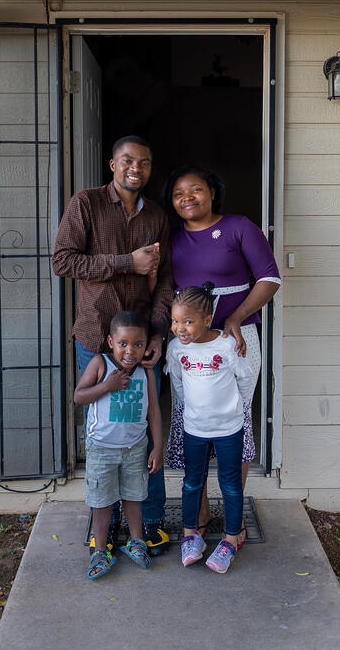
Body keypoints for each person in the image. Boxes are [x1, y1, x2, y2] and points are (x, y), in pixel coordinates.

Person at [51, 135, 174, 555]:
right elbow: (62, 260)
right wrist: (127, 262)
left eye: (144, 162)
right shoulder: (86, 203)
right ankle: (103, 517)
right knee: (103, 430)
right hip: (95, 336)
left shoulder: (156, 215)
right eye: (127, 161)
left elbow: (167, 281)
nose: (135, 168)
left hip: (140, 344)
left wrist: (158, 332)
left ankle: (151, 521)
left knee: (143, 424)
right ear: (112, 164)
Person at [162, 166, 281, 529]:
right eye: (179, 193)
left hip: (238, 339)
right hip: (188, 344)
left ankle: (232, 511)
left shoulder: (238, 227)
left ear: (212, 192)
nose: (187, 197)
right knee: (190, 416)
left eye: (195, 189)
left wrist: (237, 317)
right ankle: (197, 512)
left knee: (235, 418)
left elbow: (269, 278)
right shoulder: (171, 239)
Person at [167, 286, 256, 574]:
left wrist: (234, 410)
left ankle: (231, 540)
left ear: (208, 319)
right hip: (195, 428)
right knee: (193, 482)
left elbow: (244, 378)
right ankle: (191, 535)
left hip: (229, 428)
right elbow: (179, 385)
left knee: (230, 484)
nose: (180, 328)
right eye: (175, 321)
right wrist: (194, 411)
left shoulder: (226, 345)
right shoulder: (176, 349)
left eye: (188, 322)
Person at [73, 310, 164, 579]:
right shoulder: (101, 364)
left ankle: (136, 541)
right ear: (111, 342)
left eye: (138, 345)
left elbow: (154, 411)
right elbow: (79, 396)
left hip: (135, 447)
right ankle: (100, 549)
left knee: (134, 496)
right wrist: (106, 386)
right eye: (123, 343)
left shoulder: (145, 372)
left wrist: (157, 447)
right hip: (102, 448)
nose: (130, 351)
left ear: (146, 346)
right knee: (102, 502)